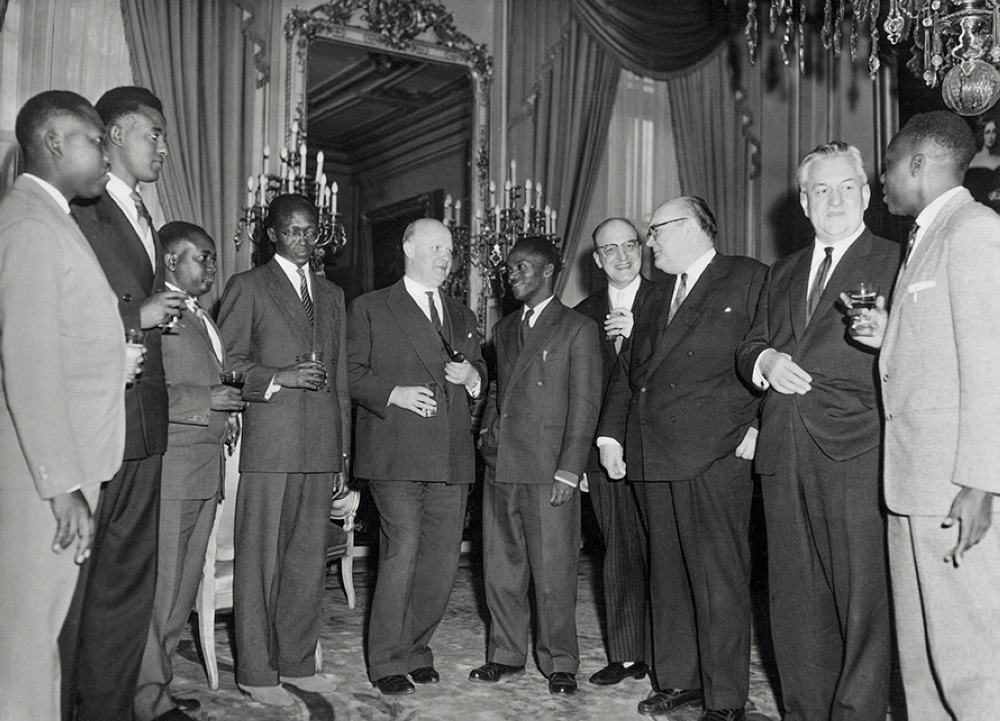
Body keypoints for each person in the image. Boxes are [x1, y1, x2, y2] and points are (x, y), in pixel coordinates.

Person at [736, 142, 899, 721]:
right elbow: (751, 342)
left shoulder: (895, 260)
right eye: (821, 190)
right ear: (804, 202)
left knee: (862, 603)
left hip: (857, 449)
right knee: (794, 601)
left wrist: (890, 336)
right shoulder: (780, 272)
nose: (835, 200)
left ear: (867, 194)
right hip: (785, 451)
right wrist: (765, 363)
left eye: (847, 187)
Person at [848, 110, 1000, 718]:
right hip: (913, 485)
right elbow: (945, 347)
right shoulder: (928, 235)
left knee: (970, 662)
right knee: (923, 664)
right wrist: (892, 334)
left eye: (886, 165)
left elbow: (993, 365)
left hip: (953, 487)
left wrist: (983, 482)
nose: (882, 180)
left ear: (918, 162)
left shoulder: (974, 230)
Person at [598, 197, 765, 720]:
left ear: (692, 228)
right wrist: (610, 438)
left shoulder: (746, 277)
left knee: (718, 582)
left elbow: (773, 349)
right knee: (666, 578)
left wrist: (760, 423)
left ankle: (723, 699)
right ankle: (678, 681)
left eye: (655, 232)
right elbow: (630, 375)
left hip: (714, 454)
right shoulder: (652, 297)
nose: (649, 243)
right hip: (653, 455)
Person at [0, 89, 134, 721]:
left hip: (63, 466)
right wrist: (61, 485)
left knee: (36, 634)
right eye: (95, 140)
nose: (107, 154)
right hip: (42, 476)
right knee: (25, 640)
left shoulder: (48, 218)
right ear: (53, 142)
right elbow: (28, 363)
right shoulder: (29, 223)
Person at [69, 85, 185, 721]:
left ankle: (115, 706)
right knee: (90, 584)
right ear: (113, 136)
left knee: (128, 582)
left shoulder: (142, 214)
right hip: (101, 416)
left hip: (145, 422)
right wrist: (134, 316)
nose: (163, 147)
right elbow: (63, 303)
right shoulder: (81, 213)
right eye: (153, 134)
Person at [217, 193, 351, 706]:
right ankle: (255, 671)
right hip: (270, 448)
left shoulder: (334, 295)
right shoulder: (247, 287)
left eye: (310, 230)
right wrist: (278, 377)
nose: (303, 239)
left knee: (305, 562)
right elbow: (227, 362)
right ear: (271, 233)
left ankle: (297, 661)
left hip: (320, 449)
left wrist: (341, 456)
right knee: (260, 564)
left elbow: (338, 382)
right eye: (292, 230)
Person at [347, 218, 486, 696]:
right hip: (396, 454)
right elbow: (349, 370)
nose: (445, 256)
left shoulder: (463, 315)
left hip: (450, 457)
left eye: (449, 248)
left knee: (441, 561)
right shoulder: (371, 307)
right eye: (434, 247)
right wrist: (393, 393)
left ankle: (416, 649)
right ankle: (385, 659)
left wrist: (473, 377)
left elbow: (481, 375)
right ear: (408, 248)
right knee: (401, 551)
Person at [473, 236, 603, 696]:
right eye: (509, 269)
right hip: (502, 462)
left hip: (549, 469)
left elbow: (585, 407)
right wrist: (486, 436)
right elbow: (497, 390)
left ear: (549, 271)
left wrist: (570, 469)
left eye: (522, 267)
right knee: (501, 568)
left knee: (554, 571)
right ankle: (505, 654)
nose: (513, 276)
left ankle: (560, 661)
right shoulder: (505, 329)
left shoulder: (577, 328)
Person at [134, 222, 243, 721]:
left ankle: (159, 688)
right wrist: (208, 401)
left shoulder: (200, 317)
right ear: (171, 261)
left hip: (205, 469)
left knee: (180, 590)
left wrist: (227, 417)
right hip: (173, 469)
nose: (212, 266)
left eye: (214, 256)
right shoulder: (158, 314)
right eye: (202, 257)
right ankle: (145, 699)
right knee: (161, 588)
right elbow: (145, 390)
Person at [573, 218, 653, 687]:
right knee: (619, 548)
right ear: (597, 260)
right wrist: (581, 458)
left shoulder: (669, 301)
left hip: (660, 445)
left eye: (630, 245)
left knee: (666, 550)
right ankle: (626, 655)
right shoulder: (581, 315)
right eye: (611, 249)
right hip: (602, 453)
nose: (622, 256)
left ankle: (669, 651)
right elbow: (580, 394)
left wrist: (641, 331)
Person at [962, 113, 1000, 211]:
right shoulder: (968, 161)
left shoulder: (998, 159)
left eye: (994, 132)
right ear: (980, 133)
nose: (991, 137)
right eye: (987, 132)